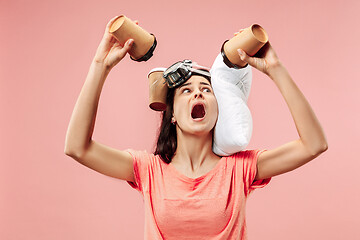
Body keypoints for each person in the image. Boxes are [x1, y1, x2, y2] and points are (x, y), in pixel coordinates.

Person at [64, 16, 328, 240]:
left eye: (206, 90)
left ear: (217, 110)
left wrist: (275, 69)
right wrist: (100, 65)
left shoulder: (239, 169)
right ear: (173, 115)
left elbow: (314, 144)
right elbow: (78, 148)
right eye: (186, 91)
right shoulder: (148, 170)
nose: (198, 95)